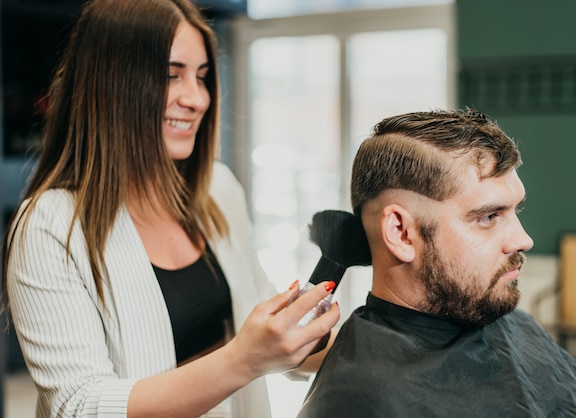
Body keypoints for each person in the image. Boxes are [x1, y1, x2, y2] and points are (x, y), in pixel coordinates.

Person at [1, 0, 340, 417]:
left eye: (201, 78)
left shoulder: (218, 191)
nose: (197, 99)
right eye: (170, 76)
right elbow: (78, 405)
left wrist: (366, 333)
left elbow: (275, 339)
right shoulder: (50, 227)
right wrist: (245, 358)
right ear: (108, 84)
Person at [298, 109, 576, 417]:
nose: (523, 240)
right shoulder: (363, 398)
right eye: (488, 216)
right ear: (401, 233)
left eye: (516, 211)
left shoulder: (501, 319)